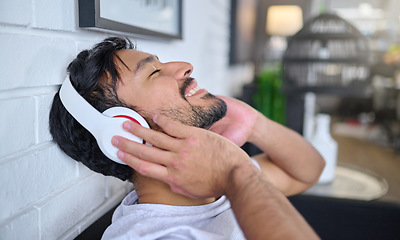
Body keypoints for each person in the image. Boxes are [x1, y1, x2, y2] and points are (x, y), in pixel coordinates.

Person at [49, 37, 324, 239]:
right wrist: (235, 173)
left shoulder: (224, 183)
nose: (185, 66)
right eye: (154, 72)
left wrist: (255, 124)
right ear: (124, 130)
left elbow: (307, 172)